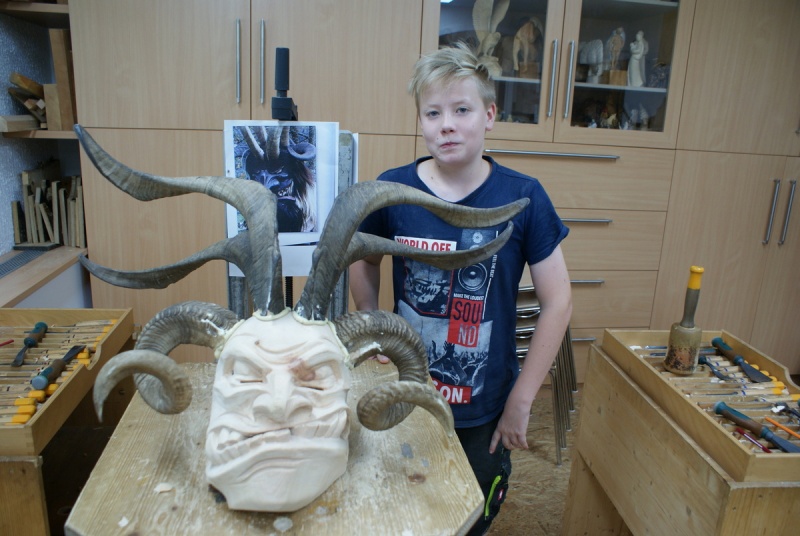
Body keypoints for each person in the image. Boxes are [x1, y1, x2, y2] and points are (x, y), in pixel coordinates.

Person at [349, 43, 572, 535]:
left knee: (469, 514)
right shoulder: (393, 189)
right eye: (433, 113)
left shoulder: (524, 196)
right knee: (403, 509)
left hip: (483, 408)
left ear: (489, 115)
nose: (445, 125)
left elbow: (558, 302)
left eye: (461, 110)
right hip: (406, 395)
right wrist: (373, 321)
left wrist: (522, 399)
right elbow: (363, 261)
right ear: (420, 120)